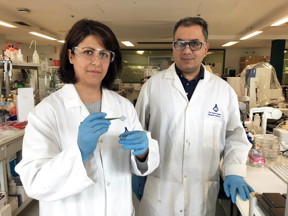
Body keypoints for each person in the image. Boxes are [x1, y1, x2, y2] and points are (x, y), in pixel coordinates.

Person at [15, 19, 159, 216]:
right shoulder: (46, 112)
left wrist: (143, 152)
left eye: (104, 54)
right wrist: (79, 152)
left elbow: (139, 164)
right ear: (71, 56)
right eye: (88, 52)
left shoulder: (124, 106)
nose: (96, 62)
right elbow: (35, 183)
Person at [134, 17, 253, 216]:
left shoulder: (223, 91)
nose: (187, 50)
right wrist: (136, 170)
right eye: (180, 43)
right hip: (160, 191)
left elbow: (234, 137)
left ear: (206, 48)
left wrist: (234, 171)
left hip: (201, 193)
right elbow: (137, 132)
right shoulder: (153, 86)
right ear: (173, 47)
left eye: (194, 44)